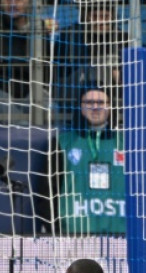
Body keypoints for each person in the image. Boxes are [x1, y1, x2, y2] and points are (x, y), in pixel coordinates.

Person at [54, 87, 126, 234]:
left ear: (110, 107)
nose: (95, 107)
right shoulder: (62, 143)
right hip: (75, 234)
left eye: (101, 102)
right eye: (89, 102)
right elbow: (49, 190)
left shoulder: (127, 144)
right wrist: (54, 230)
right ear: (81, 107)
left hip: (120, 234)